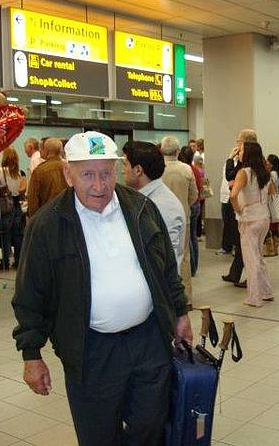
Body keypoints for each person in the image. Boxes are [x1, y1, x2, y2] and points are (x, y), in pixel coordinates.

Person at [12, 131, 192, 446]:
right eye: (88, 175)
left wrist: (180, 312)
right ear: (69, 174)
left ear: (117, 170)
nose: (99, 185)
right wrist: (31, 354)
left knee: (151, 426)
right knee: (98, 435)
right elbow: (30, 294)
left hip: (148, 340)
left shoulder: (139, 208)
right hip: (90, 350)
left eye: (106, 173)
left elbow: (165, 268)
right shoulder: (47, 225)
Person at [124, 140, 186, 269]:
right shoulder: (142, 198)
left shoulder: (163, 206)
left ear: (138, 170)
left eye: (125, 165)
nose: (123, 171)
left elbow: (165, 261)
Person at [230, 141, 275, 307]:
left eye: (241, 150)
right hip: (264, 217)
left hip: (249, 218)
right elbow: (271, 193)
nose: (238, 152)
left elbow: (233, 196)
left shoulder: (244, 172)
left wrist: (238, 211)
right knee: (258, 256)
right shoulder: (265, 172)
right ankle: (266, 291)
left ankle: (254, 297)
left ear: (247, 153)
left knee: (251, 259)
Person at [161, 135, 198, 306]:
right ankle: (186, 298)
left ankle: (165, 295)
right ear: (177, 151)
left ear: (162, 150)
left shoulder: (157, 169)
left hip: (160, 219)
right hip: (183, 217)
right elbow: (194, 195)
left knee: (161, 256)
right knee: (183, 257)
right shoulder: (186, 170)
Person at [222, 128, 258, 288]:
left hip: (246, 210)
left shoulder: (246, 163)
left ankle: (252, 280)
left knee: (246, 246)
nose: (237, 144)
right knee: (242, 243)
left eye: (239, 141)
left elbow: (231, 176)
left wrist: (230, 158)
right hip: (255, 211)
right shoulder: (258, 161)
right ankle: (235, 273)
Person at [0, 148, 27, 271]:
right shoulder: (20, 173)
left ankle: (5, 262)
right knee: (17, 236)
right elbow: (23, 190)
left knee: (5, 236)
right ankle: (18, 261)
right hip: (17, 206)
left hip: (5, 207)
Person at [26, 137, 68, 217]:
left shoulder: (39, 171)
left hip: (47, 217)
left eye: (41, 149)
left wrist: (33, 221)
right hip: (68, 216)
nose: (40, 151)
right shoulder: (70, 168)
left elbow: (33, 201)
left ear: (47, 151)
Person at [178, 146, 202, 276]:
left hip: (188, 205)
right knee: (193, 236)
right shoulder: (196, 170)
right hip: (196, 204)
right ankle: (194, 267)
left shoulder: (183, 170)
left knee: (187, 238)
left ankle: (191, 267)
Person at [265, 154, 279, 256]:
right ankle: (275, 248)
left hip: (271, 201)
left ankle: (270, 249)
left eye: (267, 162)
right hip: (277, 200)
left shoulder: (271, 174)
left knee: (269, 226)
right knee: (275, 226)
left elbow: (270, 189)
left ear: (271, 164)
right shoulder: (278, 173)